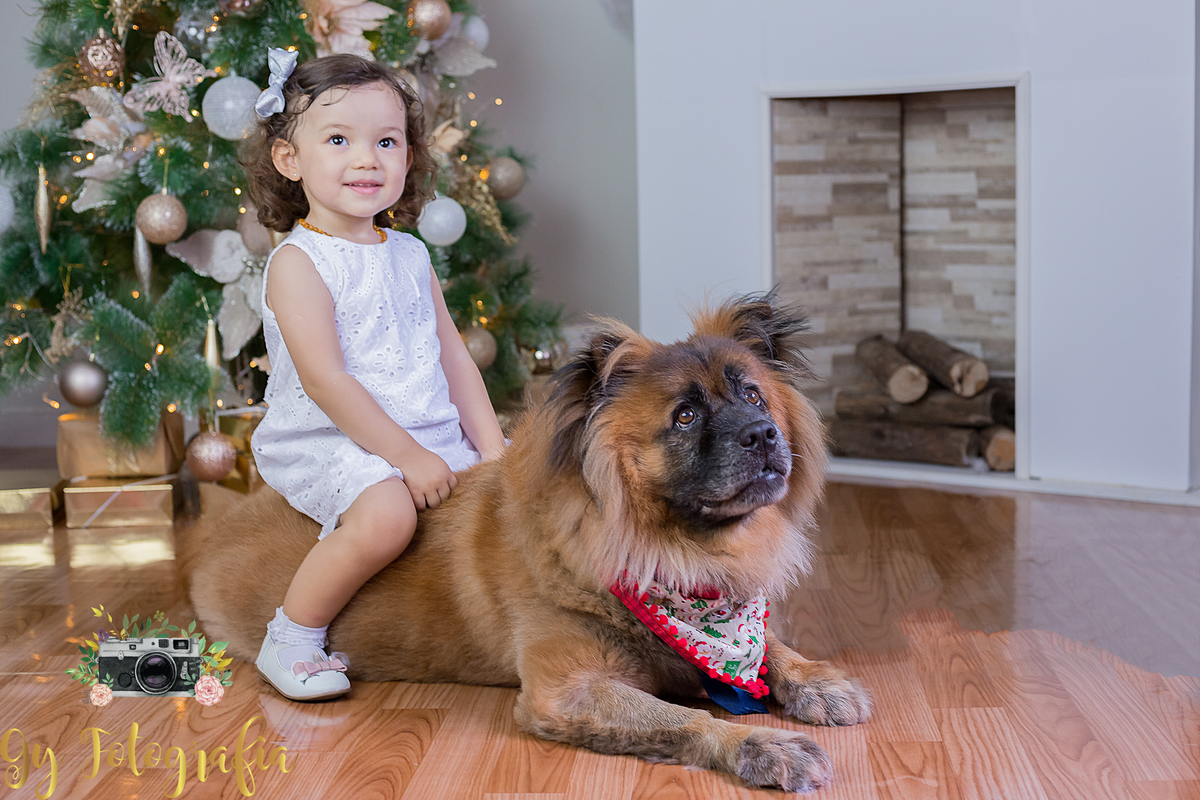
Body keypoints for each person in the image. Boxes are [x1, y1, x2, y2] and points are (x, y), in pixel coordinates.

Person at [243, 49, 506, 701]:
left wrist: (497, 452)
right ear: (289, 159)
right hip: (333, 436)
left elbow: (453, 359)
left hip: (421, 426)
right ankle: (293, 637)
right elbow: (328, 383)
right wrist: (409, 457)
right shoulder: (298, 263)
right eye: (338, 139)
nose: (367, 159)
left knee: (514, 499)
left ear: (409, 157)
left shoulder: (410, 254)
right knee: (388, 516)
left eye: (386, 141)